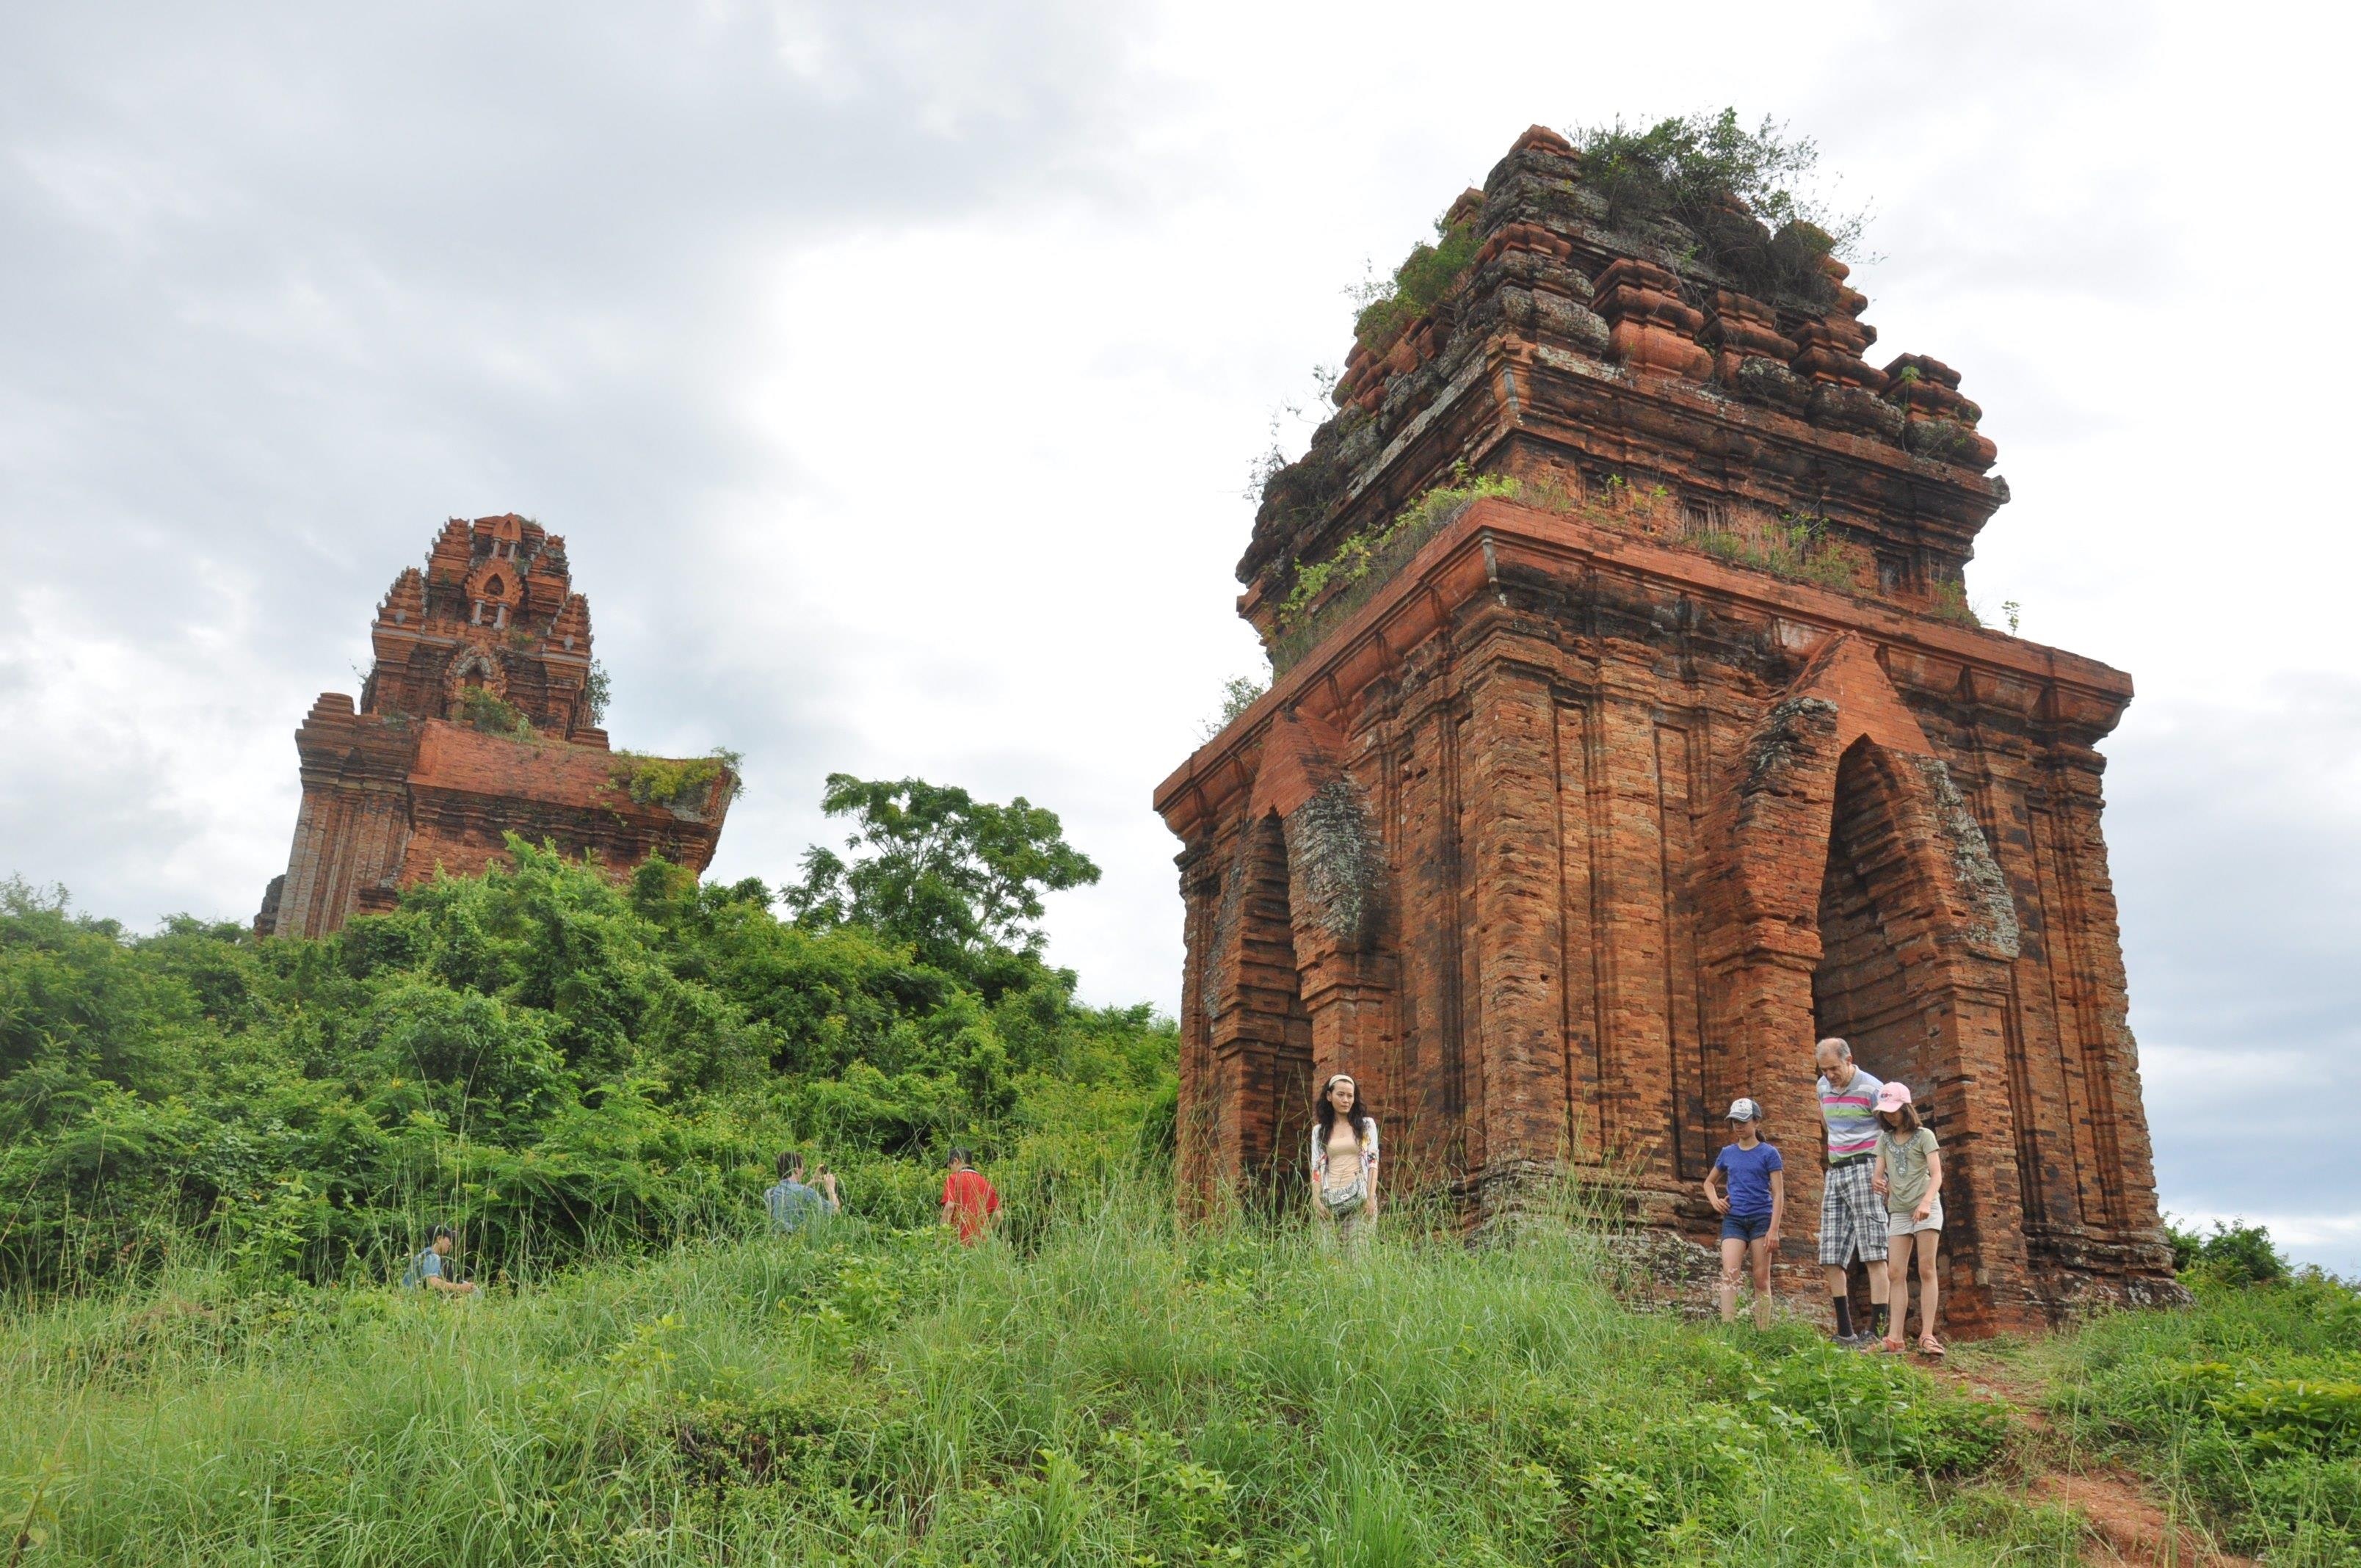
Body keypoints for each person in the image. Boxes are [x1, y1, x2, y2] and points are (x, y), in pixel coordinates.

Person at [1814, 1036, 1891, 1346]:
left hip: (1866, 1169)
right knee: (1830, 1254)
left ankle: (1875, 1330)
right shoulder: (1822, 1087)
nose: (1829, 1075)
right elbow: (1827, 1124)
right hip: (1836, 1172)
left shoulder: (1873, 1089)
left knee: (1874, 1251)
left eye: (1834, 1068)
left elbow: (1890, 1133)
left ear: (1849, 1060)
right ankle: (1845, 1331)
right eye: (1823, 1070)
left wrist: (1883, 1175)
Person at [1870, 1081, 1945, 1357]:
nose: (1890, 1115)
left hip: (1926, 1206)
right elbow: (1879, 1173)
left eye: (1895, 1110)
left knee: (1926, 1268)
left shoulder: (1924, 1135)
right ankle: (1894, 1338)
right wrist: (1878, 1182)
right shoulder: (1885, 1140)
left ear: (1906, 1108)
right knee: (1895, 1272)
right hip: (1900, 1210)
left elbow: (1936, 1174)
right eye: (1886, 1111)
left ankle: (1927, 1335)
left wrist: (1926, 1201)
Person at [1703, 1097, 1784, 1328]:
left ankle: (1763, 1333)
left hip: (1761, 1218)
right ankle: (1728, 1331)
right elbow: (1709, 1183)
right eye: (1734, 1121)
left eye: (1743, 1121)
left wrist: (1774, 1229)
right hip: (1735, 1219)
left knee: (1761, 1278)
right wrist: (1715, 1201)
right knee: (1729, 1272)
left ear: (1756, 1121)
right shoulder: (1728, 1153)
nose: (1738, 1126)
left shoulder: (1769, 1153)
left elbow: (1778, 1193)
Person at [1310, 1072, 1379, 1247]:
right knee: (1329, 1261)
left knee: (1359, 1258)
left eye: (1350, 1095)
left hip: (1360, 1198)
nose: (1346, 1100)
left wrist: (1370, 1198)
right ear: (1329, 1096)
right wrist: (1316, 1200)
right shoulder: (1319, 1131)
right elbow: (1316, 1167)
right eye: (1340, 1095)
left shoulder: (1366, 1126)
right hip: (1329, 1199)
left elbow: (1373, 1162)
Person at [764, 1150, 841, 1235]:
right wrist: (830, 1188)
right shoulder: (807, 1192)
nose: (803, 1171)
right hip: (797, 1242)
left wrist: (811, 1183)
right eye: (803, 1168)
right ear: (796, 1170)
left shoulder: (769, 1193)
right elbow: (834, 1212)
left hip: (776, 1244)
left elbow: (793, 1194)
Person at [940, 1148, 1000, 1244]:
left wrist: (940, 1241)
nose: (950, 1171)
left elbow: (950, 1207)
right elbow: (998, 1215)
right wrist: (985, 1235)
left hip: (957, 1243)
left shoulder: (953, 1179)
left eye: (949, 1167)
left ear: (956, 1161)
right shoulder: (987, 1184)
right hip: (980, 1248)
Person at [400, 1225, 478, 1296]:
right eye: (449, 1239)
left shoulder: (422, 1255)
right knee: (476, 1293)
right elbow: (433, 1282)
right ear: (439, 1239)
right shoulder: (433, 1257)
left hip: (407, 1297)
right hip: (415, 1300)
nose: (450, 1243)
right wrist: (460, 1287)